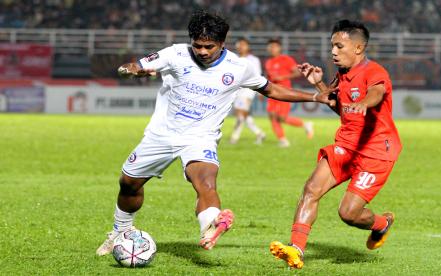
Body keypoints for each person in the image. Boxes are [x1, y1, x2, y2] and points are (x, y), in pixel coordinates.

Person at [96, 10, 336, 256]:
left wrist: (315, 96)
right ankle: (120, 231)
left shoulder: (238, 67)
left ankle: (211, 225)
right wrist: (131, 69)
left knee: (205, 182)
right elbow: (138, 65)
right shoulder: (175, 54)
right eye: (197, 45)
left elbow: (271, 89)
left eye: (208, 46)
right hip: (161, 135)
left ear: (222, 43)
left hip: (201, 137)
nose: (202, 51)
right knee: (128, 184)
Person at [270, 19, 402, 269]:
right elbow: (341, 110)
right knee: (311, 189)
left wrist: (365, 102)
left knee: (348, 213)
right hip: (346, 145)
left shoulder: (375, 72)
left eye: (339, 46)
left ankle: (381, 224)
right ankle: (296, 249)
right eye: (332, 46)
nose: (333, 51)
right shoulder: (341, 74)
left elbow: (377, 93)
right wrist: (318, 84)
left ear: (358, 48)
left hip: (376, 152)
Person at [265, 38, 314, 147]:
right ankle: (283, 140)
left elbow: (297, 73)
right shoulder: (268, 62)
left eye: (274, 46)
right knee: (272, 116)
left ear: (279, 48)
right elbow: (268, 77)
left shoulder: (286, 59)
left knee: (282, 118)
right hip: (271, 92)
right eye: (270, 46)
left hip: (284, 93)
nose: (272, 48)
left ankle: (305, 124)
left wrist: (283, 76)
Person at [229, 37, 266, 145]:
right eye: (239, 44)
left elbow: (258, 75)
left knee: (240, 114)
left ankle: (234, 137)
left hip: (248, 90)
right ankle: (260, 133)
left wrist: (259, 91)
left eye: (243, 44)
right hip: (237, 90)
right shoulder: (234, 59)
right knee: (244, 115)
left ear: (248, 46)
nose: (241, 46)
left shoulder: (253, 60)